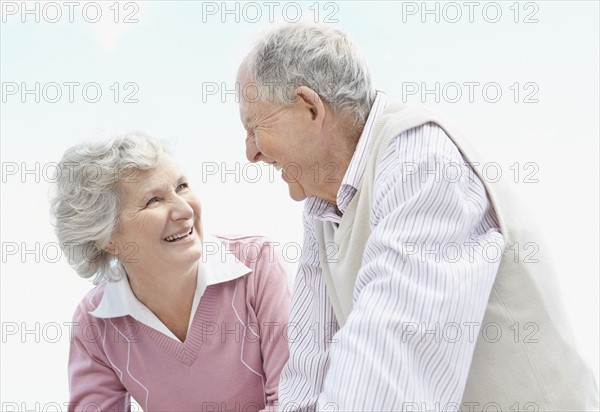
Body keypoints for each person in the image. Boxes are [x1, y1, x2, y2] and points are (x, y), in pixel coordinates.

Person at [236, 23, 599, 411]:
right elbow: (309, 376)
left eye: (254, 126)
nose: (250, 152)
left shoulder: (420, 161)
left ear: (310, 107)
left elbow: (387, 377)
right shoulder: (322, 206)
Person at [50, 133, 291, 412]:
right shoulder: (96, 323)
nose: (185, 209)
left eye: (182, 186)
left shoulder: (256, 265)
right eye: (153, 200)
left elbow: (296, 401)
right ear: (107, 238)